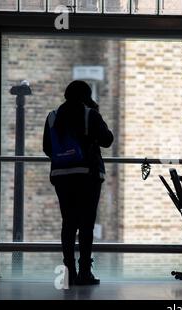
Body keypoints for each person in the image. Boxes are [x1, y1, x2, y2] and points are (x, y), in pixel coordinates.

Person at [43, 80, 114, 285]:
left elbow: (47, 147)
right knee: (86, 225)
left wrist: (65, 157)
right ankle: (84, 272)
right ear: (86, 95)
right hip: (87, 176)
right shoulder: (89, 114)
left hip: (61, 176)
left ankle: (69, 272)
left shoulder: (53, 116)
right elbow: (107, 140)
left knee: (68, 223)